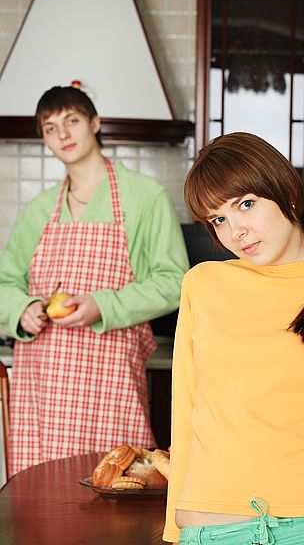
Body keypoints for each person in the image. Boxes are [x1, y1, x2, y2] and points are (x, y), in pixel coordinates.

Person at [163, 132, 304, 545]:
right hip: (214, 526)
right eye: (219, 220)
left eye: (245, 205)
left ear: (286, 192)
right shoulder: (203, 284)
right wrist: (174, 529)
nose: (236, 232)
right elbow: (186, 411)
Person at [0, 85, 189, 477]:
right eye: (50, 128)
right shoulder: (38, 211)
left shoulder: (145, 197)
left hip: (111, 383)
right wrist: (23, 310)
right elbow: (4, 283)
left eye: (72, 121)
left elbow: (174, 281)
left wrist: (102, 305)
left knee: (115, 495)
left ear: (95, 123)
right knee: (42, 503)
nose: (63, 135)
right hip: (43, 394)